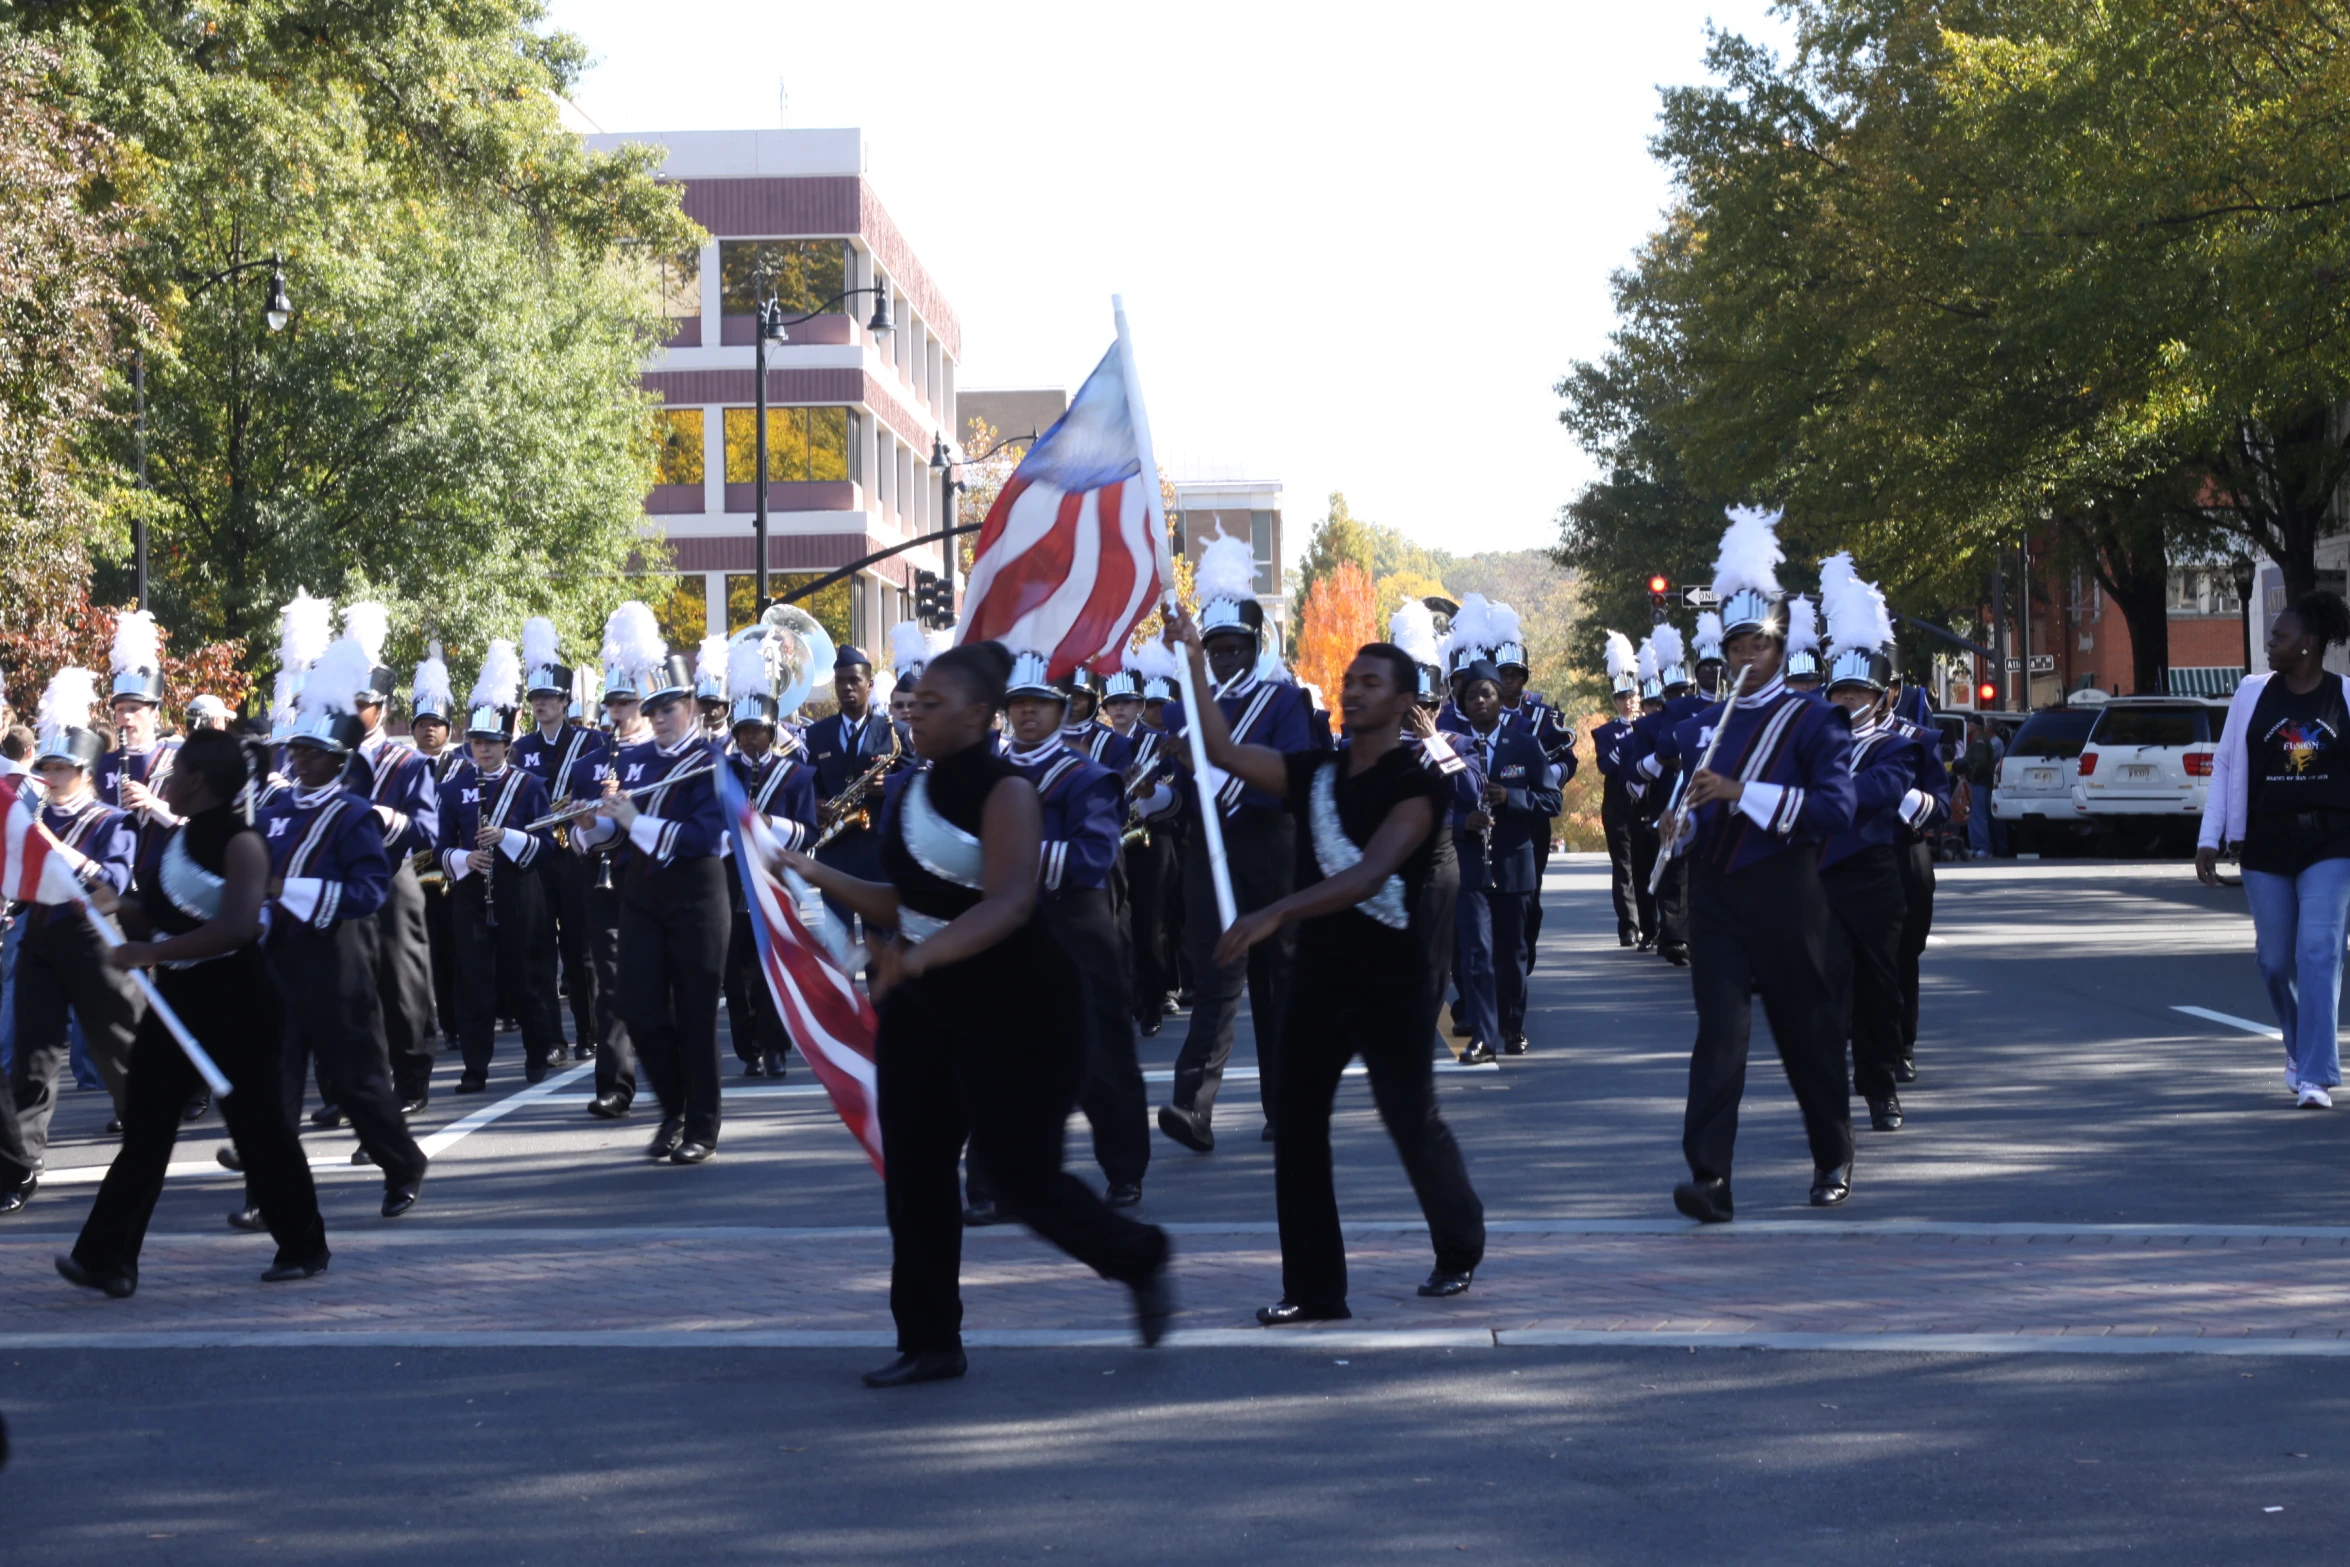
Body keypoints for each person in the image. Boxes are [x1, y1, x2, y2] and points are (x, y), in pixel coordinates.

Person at [781, 641, 1174, 1387]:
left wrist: (919, 957)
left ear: (976, 714)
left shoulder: (1007, 792)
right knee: (918, 1174)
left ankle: (1138, 1255)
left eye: (933, 703)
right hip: (923, 1008)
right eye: (915, 702)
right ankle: (930, 1339)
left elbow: (1010, 900)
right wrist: (810, 870)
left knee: (1022, 1177)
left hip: (1017, 1005)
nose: (916, 712)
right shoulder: (910, 789)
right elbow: (905, 901)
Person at [1171, 613, 1486, 1320]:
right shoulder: (1314, 769)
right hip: (1319, 977)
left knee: (1409, 1116)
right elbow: (1218, 749)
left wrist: (1273, 912)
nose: (1354, 691)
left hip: (1395, 980)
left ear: (1405, 702)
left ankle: (1460, 1242)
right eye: (1349, 681)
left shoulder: (1418, 783)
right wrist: (1193, 658)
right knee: (1299, 1121)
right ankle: (1314, 1287)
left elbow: (1370, 874)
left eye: (1371, 682)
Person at [57, 729, 330, 1295]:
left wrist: (150, 951)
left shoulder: (242, 842)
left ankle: (304, 1246)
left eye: (176, 771)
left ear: (197, 780)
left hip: (240, 1003)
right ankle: (108, 1259)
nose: (168, 781)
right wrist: (114, 907)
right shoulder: (180, 841)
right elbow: (161, 913)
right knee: (147, 1129)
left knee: (259, 1130)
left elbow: (237, 926)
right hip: (177, 1003)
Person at [1664, 508, 1857, 1222]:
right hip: (1714, 892)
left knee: (1805, 1029)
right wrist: (1677, 827)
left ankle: (1832, 1152)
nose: (1745, 660)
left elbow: (1834, 809)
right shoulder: (1709, 724)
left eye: (1758, 647)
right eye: (1735, 647)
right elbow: (1697, 815)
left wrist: (1743, 793)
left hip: (1784, 888)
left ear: (1780, 650)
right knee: (1720, 1033)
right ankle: (1710, 1179)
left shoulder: (1813, 721)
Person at [1159, 532, 1325, 1151]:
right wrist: (1165, 788)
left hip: (1269, 848)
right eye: (1216, 649)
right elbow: (1177, 795)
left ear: (1257, 647)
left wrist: (1217, 771)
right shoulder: (1181, 710)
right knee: (1214, 975)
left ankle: (1286, 1108)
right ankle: (1192, 1108)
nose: (1225, 660)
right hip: (1210, 853)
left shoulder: (1286, 701)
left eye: (1235, 649)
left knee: (1279, 982)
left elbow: (1288, 777)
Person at [256, 635, 428, 1222]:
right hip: (279, 963)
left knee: (358, 1084)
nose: (299, 761)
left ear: (339, 759)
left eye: (312, 753)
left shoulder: (354, 816)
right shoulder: (272, 815)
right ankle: (267, 1193)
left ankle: (402, 1162)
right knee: (275, 1086)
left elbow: (367, 893)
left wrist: (289, 893)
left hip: (337, 965)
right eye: (296, 751)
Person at [980, 650, 1149, 1212]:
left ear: (1062, 711)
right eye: (1018, 705)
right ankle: (993, 1181)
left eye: (1041, 704)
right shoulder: (989, 776)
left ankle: (1124, 1168)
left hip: (1075, 925)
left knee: (1100, 1056)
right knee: (1002, 1058)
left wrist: (1010, 856)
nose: (1027, 714)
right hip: (1008, 928)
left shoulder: (1089, 777)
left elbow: (1092, 858)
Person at [2197, 589, 2350, 1108]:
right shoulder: (2251, 693)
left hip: (2330, 843)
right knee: (2274, 962)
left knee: (2320, 952)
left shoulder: (2345, 696)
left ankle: (2316, 1075)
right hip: (2265, 843)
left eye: (2280, 636)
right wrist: (2208, 837)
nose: (2271, 642)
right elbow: (2225, 765)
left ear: (2307, 644)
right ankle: (2297, 1046)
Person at [577, 640, 727, 1163]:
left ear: (690, 706)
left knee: (694, 1013)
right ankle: (674, 1107)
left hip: (697, 895)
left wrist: (634, 821)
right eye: (653, 710)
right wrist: (591, 824)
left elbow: (703, 837)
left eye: (669, 708)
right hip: (640, 894)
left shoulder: (711, 761)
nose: (660, 718)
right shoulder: (635, 760)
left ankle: (700, 1127)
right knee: (636, 1007)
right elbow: (616, 839)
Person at [0, 669, 142, 1212]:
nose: (53, 776)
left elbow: (115, 883)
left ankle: (144, 1130)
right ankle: (22, 1166)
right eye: (47, 767)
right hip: (38, 938)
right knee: (33, 1056)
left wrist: (61, 851)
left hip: (96, 942)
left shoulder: (111, 821)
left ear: (85, 772)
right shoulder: (25, 820)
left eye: (63, 768)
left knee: (118, 1051)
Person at [1813, 555, 1933, 1134]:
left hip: (1872, 876)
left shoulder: (1896, 746)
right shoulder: (1808, 741)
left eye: (1860, 692)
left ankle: (1881, 1085)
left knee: (1880, 987)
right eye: (1840, 692)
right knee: (1827, 988)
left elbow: (1880, 792)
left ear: (1881, 696)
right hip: (1817, 880)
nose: (1849, 702)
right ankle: (1831, 1092)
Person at [436, 642, 563, 1090]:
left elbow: (547, 845)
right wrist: (464, 858)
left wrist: (504, 837)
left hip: (519, 888)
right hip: (471, 890)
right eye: (476, 743)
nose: (482, 750)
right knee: (472, 982)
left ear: (507, 744)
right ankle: (475, 1068)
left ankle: (536, 1053)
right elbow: (439, 847)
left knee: (524, 975)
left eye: (490, 743)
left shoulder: (529, 786)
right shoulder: (453, 789)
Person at [341, 605, 441, 1115]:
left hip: (392, 875)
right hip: (344, 884)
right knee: (349, 990)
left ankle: (412, 1081)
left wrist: (383, 815)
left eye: (360, 703)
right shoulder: (332, 760)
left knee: (401, 986)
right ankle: (353, 1087)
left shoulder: (408, 762)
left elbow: (427, 830)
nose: (351, 711)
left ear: (379, 708)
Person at [1446, 661, 1563, 1061]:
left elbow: (1552, 801)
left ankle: (1514, 1025)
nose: (1480, 701)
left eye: (1488, 693)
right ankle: (1483, 1035)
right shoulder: (1451, 747)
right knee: (1474, 953)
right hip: (1469, 866)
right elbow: (1435, 806)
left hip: (1514, 865)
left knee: (1511, 953)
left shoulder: (1525, 746)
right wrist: (1463, 821)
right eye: (1472, 695)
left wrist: (1511, 799)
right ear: (1462, 703)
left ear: (1500, 700)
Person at [577, 603, 662, 1120]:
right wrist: (587, 821)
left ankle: (671, 1078)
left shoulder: (662, 756)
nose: (619, 712)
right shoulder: (590, 761)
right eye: (612, 703)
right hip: (605, 880)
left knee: (660, 980)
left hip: (654, 875)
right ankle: (614, 1084)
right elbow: (577, 830)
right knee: (609, 984)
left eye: (627, 702)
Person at [721, 628, 817, 1079]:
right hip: (729, 880)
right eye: (743, 733)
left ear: (772, 730)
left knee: (770, 969)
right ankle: (748, 1048)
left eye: (758, 732)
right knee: (734, 971)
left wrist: (769, 826)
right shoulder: (720, 777)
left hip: (776, 880)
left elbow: (809, 832)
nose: (750, 742)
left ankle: (776, 1046)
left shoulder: (797, 777)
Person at [511, 618, 607, 1070]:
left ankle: (588, 1031)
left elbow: (604, 786)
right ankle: (551, 1037)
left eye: (549, 697)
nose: (542, 704)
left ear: (567, 701)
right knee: (538, 948)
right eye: (536, 698)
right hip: (535, 855)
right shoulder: (520, 748)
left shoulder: (591, 741)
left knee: (579, 946)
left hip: (574, 852)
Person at [806, 644, 905, 943]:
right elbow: (810, 781)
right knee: (838, 945)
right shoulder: (816, 733)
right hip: (834, 851)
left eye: (854, 681)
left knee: (881, 943)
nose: (846, 687)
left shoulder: (894, 731)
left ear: (869, 685)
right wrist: (815, 802)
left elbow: (916, 782)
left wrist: (890, 784)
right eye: (840, 681)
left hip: (878, 852)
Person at [407, 647, 464, 1050]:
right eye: (423, 724)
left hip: (451, 869)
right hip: (410, 869)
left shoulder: (464, 765)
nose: (429, 731)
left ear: (448, 729)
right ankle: (425, 1025)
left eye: (437, 724)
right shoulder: (402, 765)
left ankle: (455, 1022)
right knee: (418, 955)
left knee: (452, 953)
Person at [1594, 632, 1644, 947]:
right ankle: (1628, 924)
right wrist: (1632, 738)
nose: (1629, 702)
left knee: (1646, 861)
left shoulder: (1651, 725)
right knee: (1623, 865)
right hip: (1616, 803)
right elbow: (1606, 765)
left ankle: (1651, 921)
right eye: (1622, 697)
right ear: (1615, 700)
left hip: (1646, 802)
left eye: (1633, 695)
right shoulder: (1605, 732)